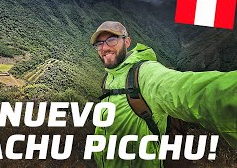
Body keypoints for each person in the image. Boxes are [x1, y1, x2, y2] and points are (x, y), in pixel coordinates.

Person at [90, 21, 237, 167]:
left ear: (127, 42)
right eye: (99, 44)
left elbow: (187, 90)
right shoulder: (108, 78)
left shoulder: (145, 73)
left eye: (112, 40)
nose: (105, 47)